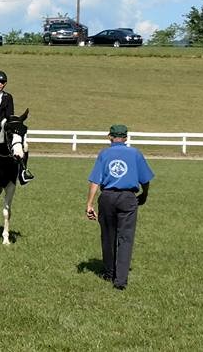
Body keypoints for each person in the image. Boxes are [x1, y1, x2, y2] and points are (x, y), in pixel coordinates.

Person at [86, 124, 154, 290]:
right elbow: (145, 179)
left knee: (108, 236)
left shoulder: (104, 154)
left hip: (107, 197)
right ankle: (121, 280)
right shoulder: (135, 153)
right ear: (126, 137)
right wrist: (144, 194)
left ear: (110, 137)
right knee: (125, 238)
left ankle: (109, 273)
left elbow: (96, 180)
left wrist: (90, 204)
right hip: (128, 198)